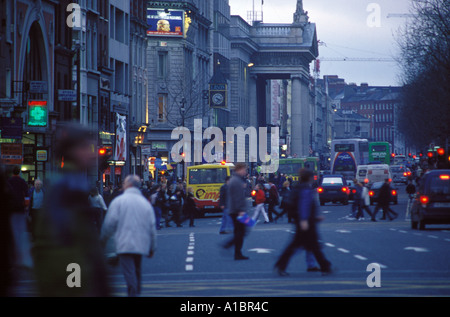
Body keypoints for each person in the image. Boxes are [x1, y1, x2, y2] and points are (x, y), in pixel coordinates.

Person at [33, 123, 109, 296]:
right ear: (72, 151)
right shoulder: (67, 188)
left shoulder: (74, 184)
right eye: (86, 147)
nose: (92, 152)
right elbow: (66, 245)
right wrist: (76, 287)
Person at [101, 175, 157, 297]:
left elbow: (109, 224)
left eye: (124, 184)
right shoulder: (145, 203)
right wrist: (152, 247)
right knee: (137, 270)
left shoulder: (119, 202)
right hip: (141, 243)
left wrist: (103, 241)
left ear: (128, 185)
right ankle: (136, 291)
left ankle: (133, 292)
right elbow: (151, 227)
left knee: (129, 271)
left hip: (124, 243)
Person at [274, 168, 333, 276]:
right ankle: (325, 266)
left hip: (303, 220)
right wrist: (305, 220)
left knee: (303, 246)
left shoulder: (299, 187)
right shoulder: (305, 189)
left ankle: (281, 264)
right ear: (309, 178)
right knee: (312, 246)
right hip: (306, 222)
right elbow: (304, 206)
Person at [222, 163, 250, 260]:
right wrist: (241, 211)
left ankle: (236, 251)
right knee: (241, 231)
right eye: (244, 170)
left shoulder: (235, 180)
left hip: (235, 210)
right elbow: (238, 198)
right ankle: (233, 248)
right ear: (239, 169)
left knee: (242, 230)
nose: (245, 172)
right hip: (238, 211)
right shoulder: (237, 181)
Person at [8, 165, 33, 269]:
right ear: (19, 172)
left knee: (12, 228)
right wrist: (26, 206)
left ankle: (13, 247)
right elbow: (26, 194)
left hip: (11, 208)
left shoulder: (8, 181)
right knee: (20, 229)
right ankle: (19, 249)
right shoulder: (22, 182)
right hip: (20, 208)